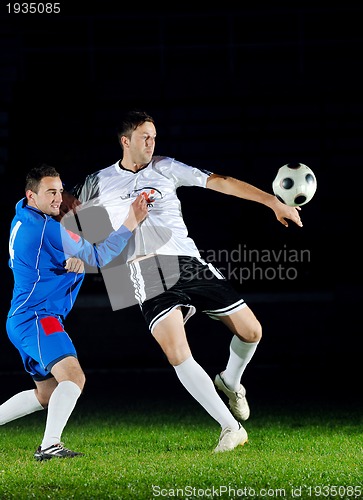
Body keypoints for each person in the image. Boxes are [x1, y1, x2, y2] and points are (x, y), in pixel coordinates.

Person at [67, 110, 303, 453]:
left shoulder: (165, 167)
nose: (151, 142)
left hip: (187, 262)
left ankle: (231, 381)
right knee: (177, 352)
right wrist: (75, 252)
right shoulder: (98, 182)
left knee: (252, 332)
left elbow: (220, 181)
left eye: (154, 136)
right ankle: (230, 427)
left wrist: (271, 201)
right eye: (145, 136)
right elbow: (64, 215)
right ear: (125, 141)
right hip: (141, 272)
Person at [2, 163, 148, 460]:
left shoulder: (21, 217)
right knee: (73, 378)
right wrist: (132, 220)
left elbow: (36, 260)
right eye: (50, 192)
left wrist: (76, 260)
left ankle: (49, 443)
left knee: (46, 395)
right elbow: (102, 255)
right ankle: (49, 446)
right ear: (31, 195)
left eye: (60, 190)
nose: (58, 198)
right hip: (38, 318)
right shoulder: (48, 228)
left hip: (23, 317)